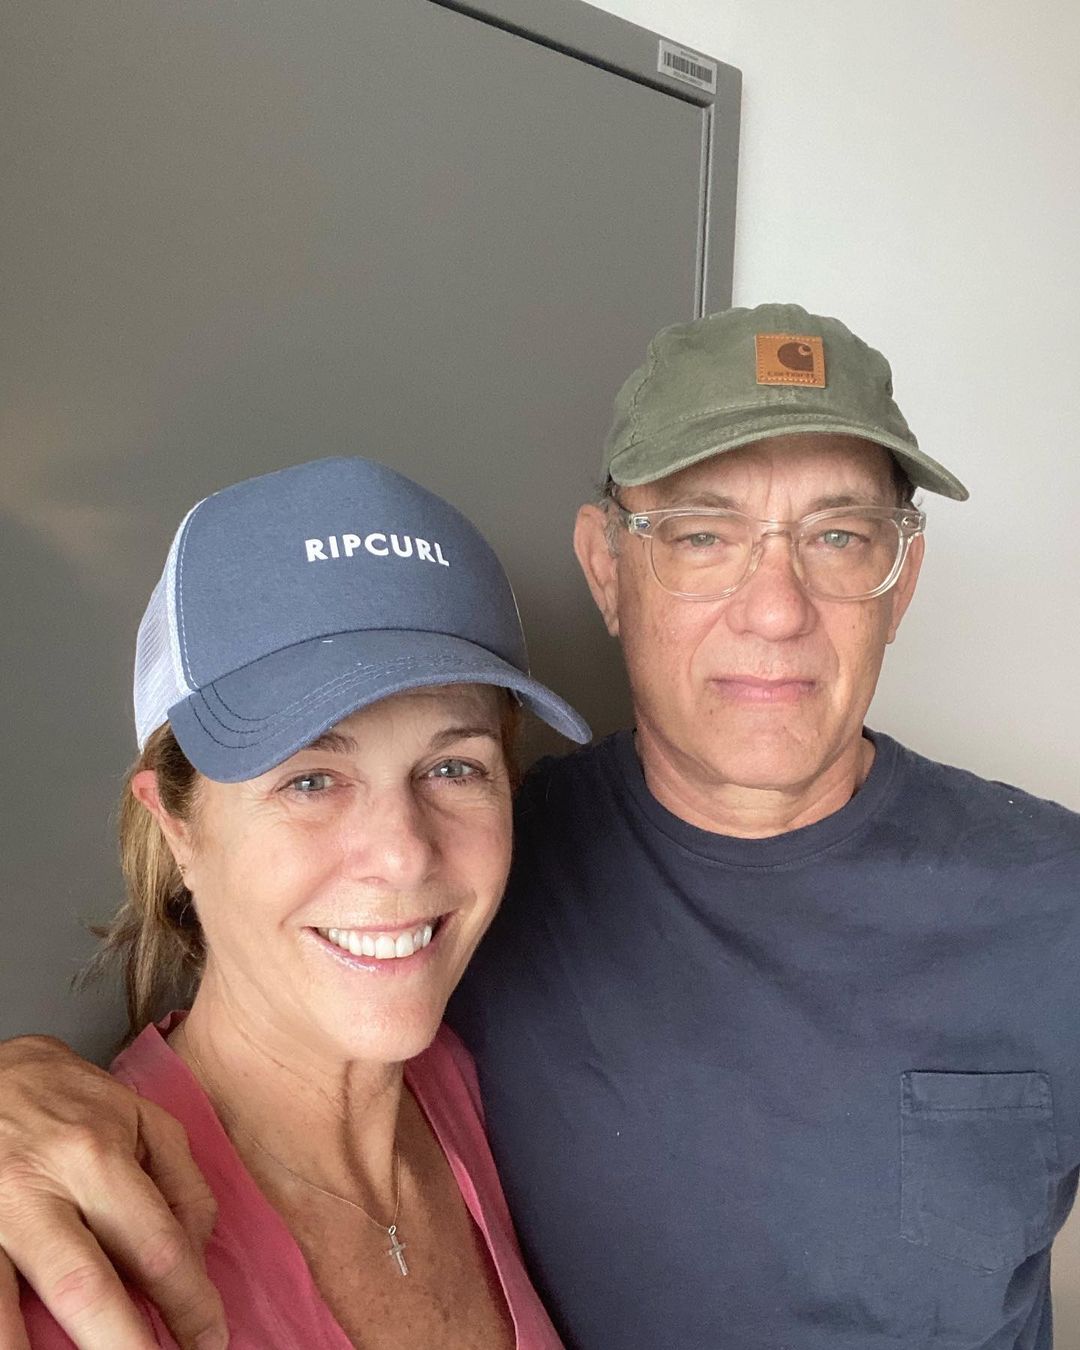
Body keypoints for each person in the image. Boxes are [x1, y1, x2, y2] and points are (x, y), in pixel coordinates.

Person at [2, 303, 1079, 1350]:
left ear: (902, 580)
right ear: (607, 569)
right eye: (703, 535)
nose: (776, 606)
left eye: (840, 536)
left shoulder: (1056, 897)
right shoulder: (486, 903)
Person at [11, 455, 589, 1349]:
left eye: (453, 767)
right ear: (177, 829)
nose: (402, 853)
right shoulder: (71, 1262)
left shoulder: (486, 1090)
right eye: (312, 779)